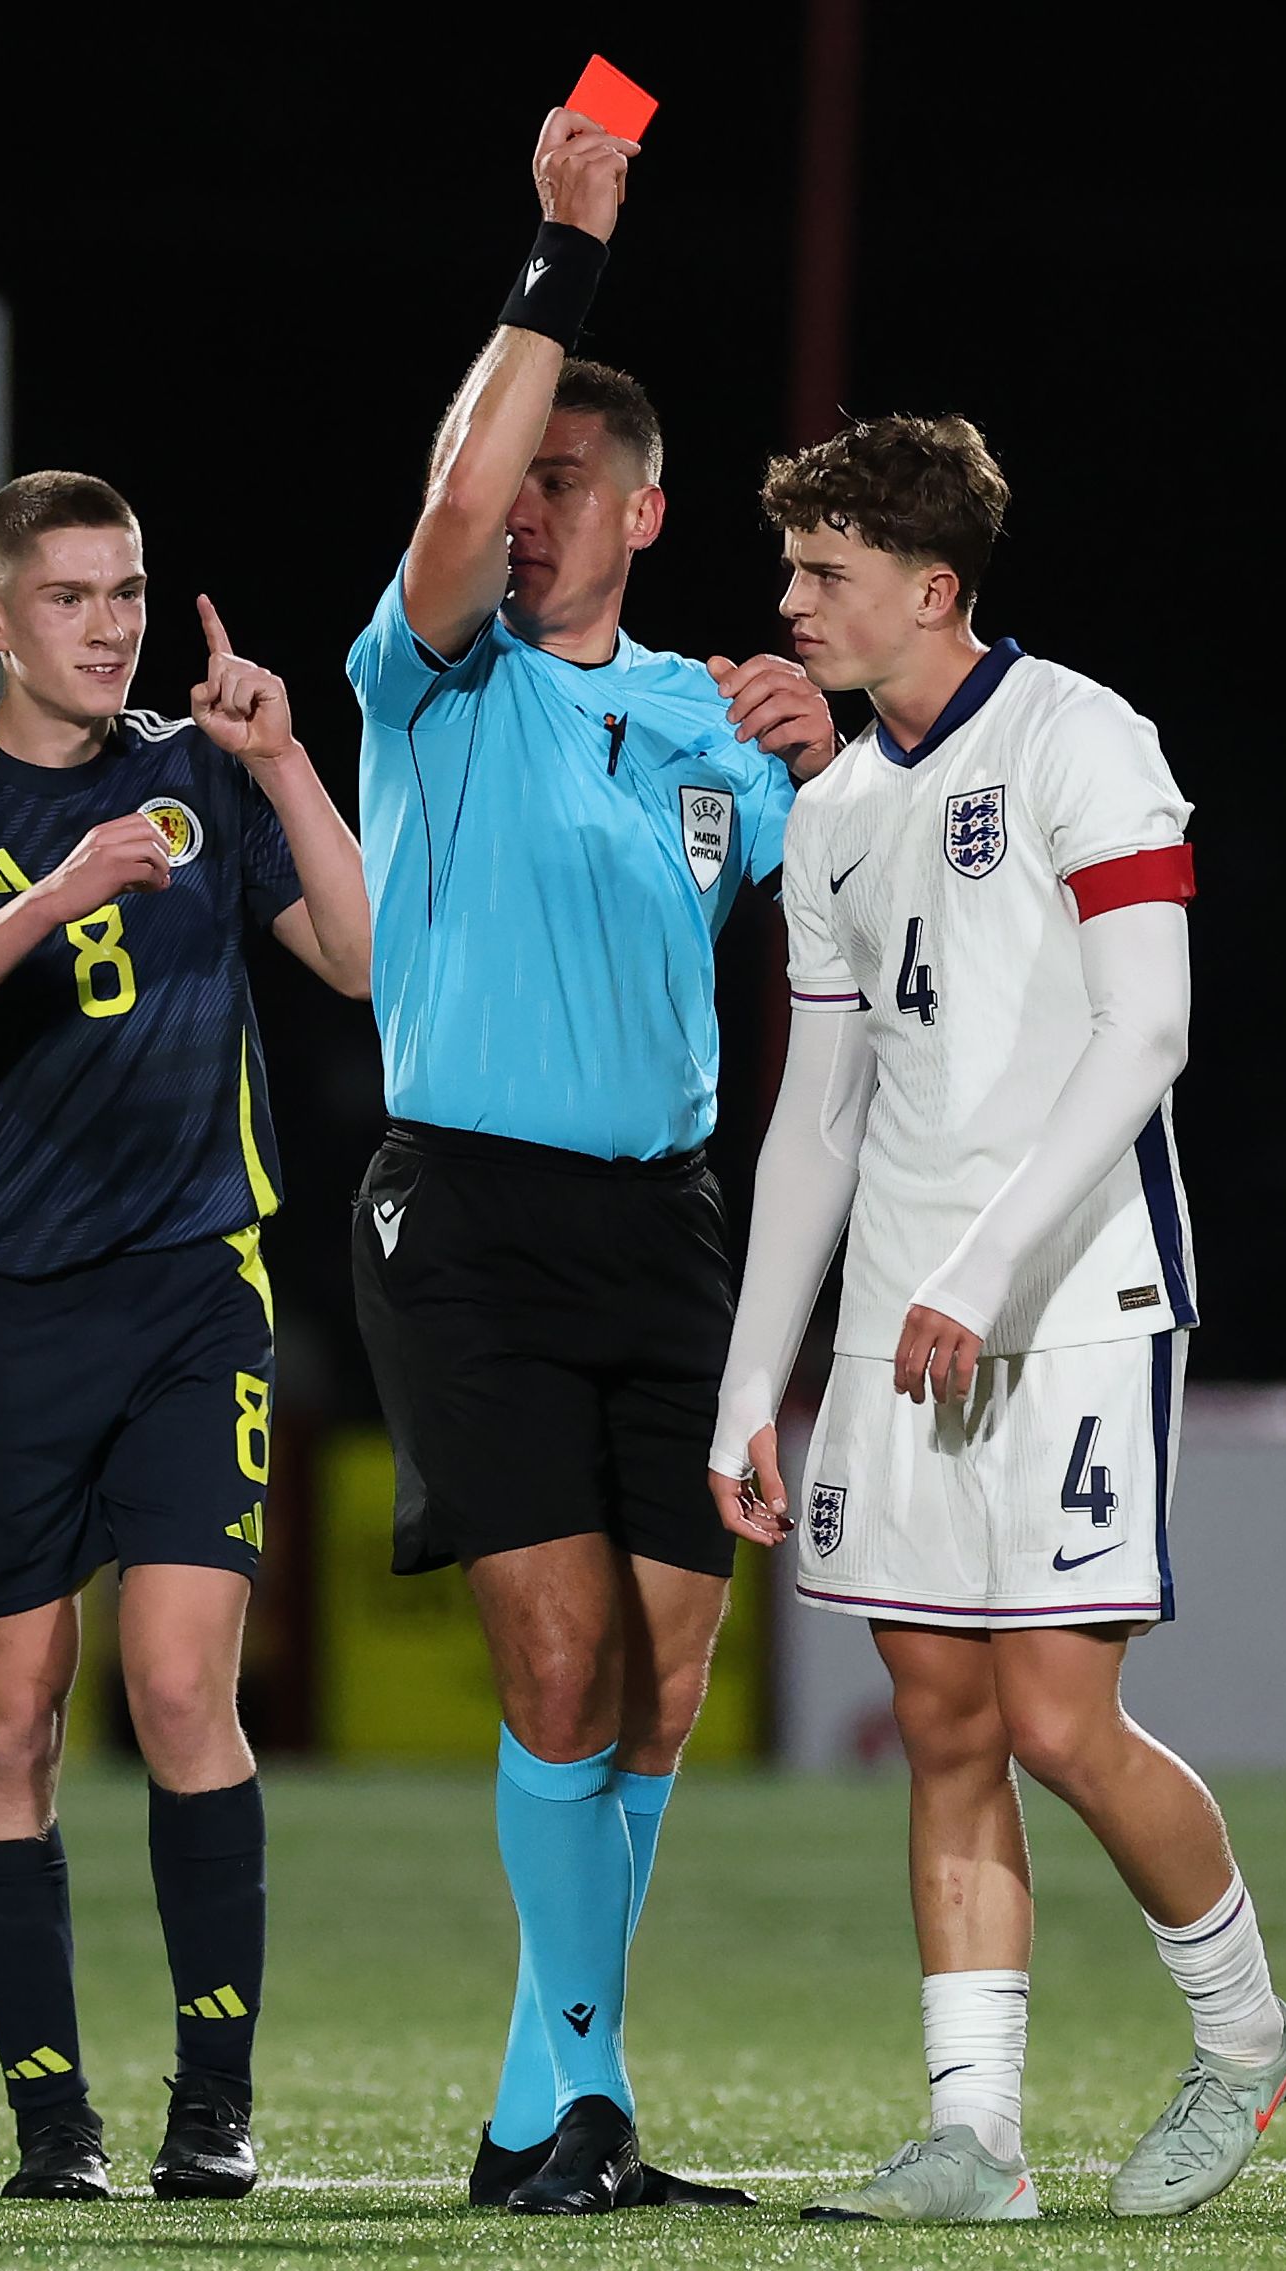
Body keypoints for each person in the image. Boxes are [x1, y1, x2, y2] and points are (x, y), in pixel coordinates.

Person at [707, 412, 1286, 2223]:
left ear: (932, 587)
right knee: (944, 1721)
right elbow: (819, 1119)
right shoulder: (833, 812)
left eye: (825, 571)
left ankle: (1246, 2040)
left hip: (1073, 1299)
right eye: (792, 567)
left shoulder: (1080, 737)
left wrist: (976, 1272)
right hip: (899, 1332)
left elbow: (1148, 1032)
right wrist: (752, 1379)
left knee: (1056, 1717)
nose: (794, 603)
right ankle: (977, 2138)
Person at [340, 107, 836, 2217]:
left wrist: (839, 747)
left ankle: (538, 2113)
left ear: (642, 508)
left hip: (671, 1225)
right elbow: (454, 495)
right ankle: (581, 2103)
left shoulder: (720, 725)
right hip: (466, 1209)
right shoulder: (432, 674)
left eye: (565, 480)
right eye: (509, 473)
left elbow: (854, 922)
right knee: (554, 1667)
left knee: (665, 1682)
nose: (521, 505)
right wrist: (560, 253)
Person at [0, 471, 369, 2202]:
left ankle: (215, 2106)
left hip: (200, 1294)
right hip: (10, 1312)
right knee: (12, 1723)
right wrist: (47, 901)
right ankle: (53, 2125)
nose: (110, 625)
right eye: (70, 596)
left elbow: (363, 962)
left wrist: (285, 759)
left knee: (184, 1686)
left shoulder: (203, 770)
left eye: (127, 592)